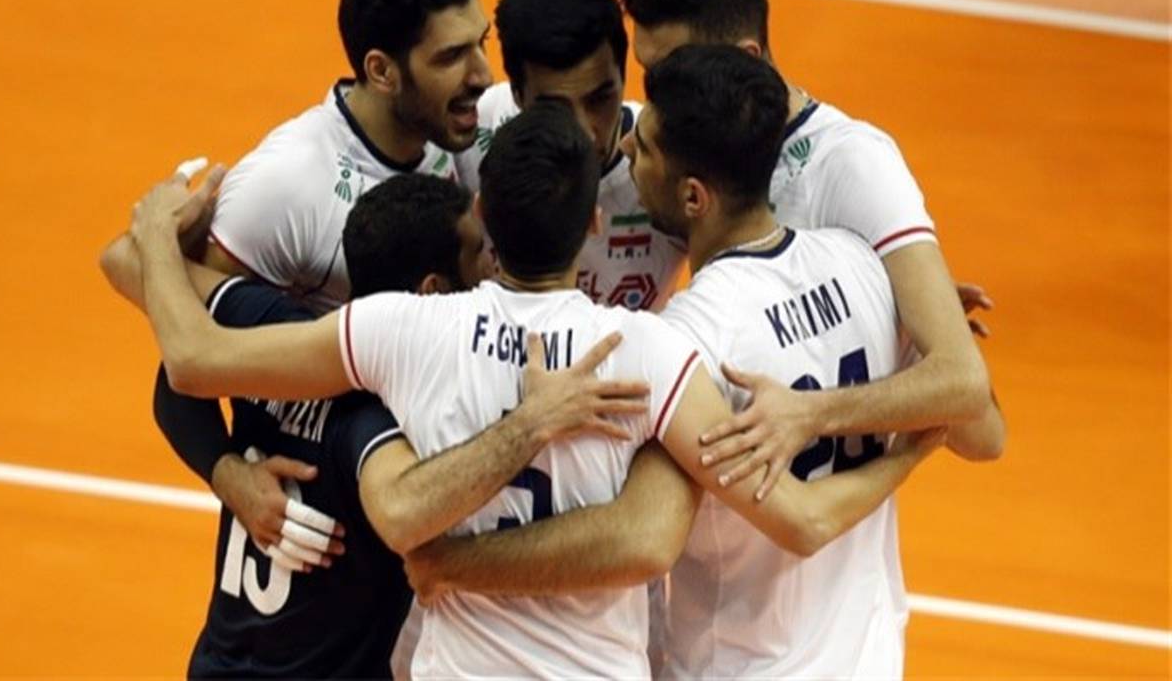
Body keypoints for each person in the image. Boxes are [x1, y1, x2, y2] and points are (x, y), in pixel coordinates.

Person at [125, 101, 939, 678]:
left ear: (482, 212)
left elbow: (193, 360)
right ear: (593, 225)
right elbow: (800, 520)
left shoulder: (400, 328)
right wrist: (911, 445)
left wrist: (158, 236)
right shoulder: (651, 351)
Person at [400, 46, 1001, 679]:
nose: (625, 150)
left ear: (693, 196)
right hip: (872, 661)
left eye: (645, 148)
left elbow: (640, 536)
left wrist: (452, 563)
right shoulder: (864, 267)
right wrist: (905, 419)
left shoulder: (687, 340)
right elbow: (983, 432)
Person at [101, 171, 648, 677]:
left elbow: (174, 363)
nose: (493, 267)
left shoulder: (276, 337)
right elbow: (402, 510)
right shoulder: (391, 415)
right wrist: (531, 423)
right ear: (432, 291)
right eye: (478, 254)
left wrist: (224, 469)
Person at [618, 0, 1001, 493]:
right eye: (648, 75)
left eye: (669, 71)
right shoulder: (662, 148)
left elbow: (972, 406)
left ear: (745, 58)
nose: (656, 97)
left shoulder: (852, 165)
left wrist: (813, 410)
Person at [157, 0, 495, 575]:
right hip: (329, 536)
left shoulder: (469, 131)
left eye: (482, 42)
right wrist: (227, 473)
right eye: (452, 56)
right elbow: (185, 358)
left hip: (437, 497)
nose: (482, 75)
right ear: (381, 70)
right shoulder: (286, 186)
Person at [455, 0, 685, 311]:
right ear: (517, 94)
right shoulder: (468, 140)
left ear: (624, 78)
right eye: (555, 107)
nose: (585, 133)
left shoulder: (672, 162)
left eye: (600, 99)